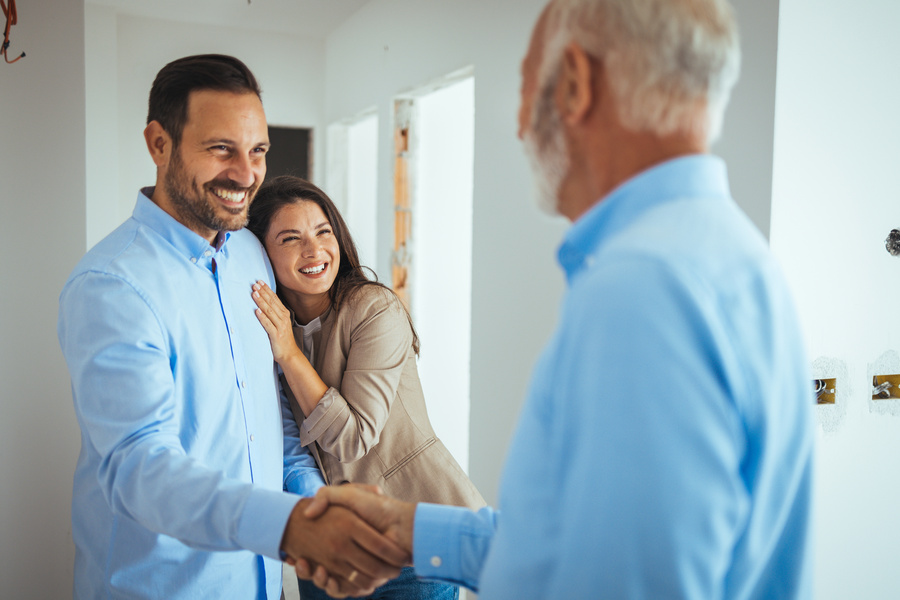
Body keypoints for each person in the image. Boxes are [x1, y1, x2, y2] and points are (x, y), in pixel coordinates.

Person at [296, 0, 816, 598]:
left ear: (574, 81)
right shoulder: (729, 257)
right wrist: (416, 529)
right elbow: (580, 545)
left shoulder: (642, 292)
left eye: (524, 87)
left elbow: (620, 585)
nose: (519, 125)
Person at [57, 54, 406, 600]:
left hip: (262, 581)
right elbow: (139, 467)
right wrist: (291, 528)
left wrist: (314, 501)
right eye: (222, 148)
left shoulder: (249, 254)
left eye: (258, 150)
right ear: (159, 144)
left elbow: (271, 420)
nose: (247, 175)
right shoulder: (113, 284)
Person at [246, 175, 485, 600]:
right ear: (261, 252)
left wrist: (288, 353)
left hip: (410, 541)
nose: (314, 249)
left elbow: (354, 438)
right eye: (290, 238)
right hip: (330, 542)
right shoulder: (270, 326)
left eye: (323, 232)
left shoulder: (374, 309)